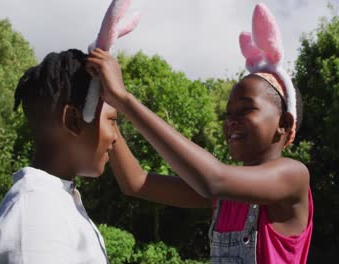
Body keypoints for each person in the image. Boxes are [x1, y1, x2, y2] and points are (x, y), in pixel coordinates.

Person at [87, 41, 313, 263]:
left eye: (246, 109)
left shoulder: (293, 176)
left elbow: (213, 179)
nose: (232, 121)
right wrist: (109, 112)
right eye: (228, 114)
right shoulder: (225, 196)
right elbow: (135, 182)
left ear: (283, 122)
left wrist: (124, 99)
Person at [0, 49, 117, 264]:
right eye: (112, 120)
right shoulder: (37, 214)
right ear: (73, 120)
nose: (116, 137)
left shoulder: (55, 200)